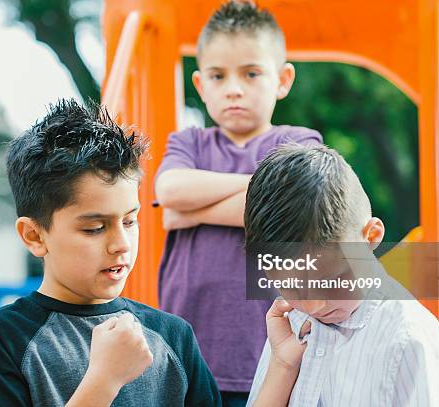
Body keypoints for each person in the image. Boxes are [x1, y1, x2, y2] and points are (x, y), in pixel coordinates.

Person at [0, 99, 221, 407]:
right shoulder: (0, 340)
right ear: (34, 235)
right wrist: (103, 382)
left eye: (130, 221)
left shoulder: (173, 336)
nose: (121, 243)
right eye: (95, 228)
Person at [154, 1, 322, 404]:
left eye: (251, 73)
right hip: (190, 344)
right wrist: (260, 185)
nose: (234, 87)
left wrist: (185, 215)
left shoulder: (299, 142)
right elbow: (170, 191)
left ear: (282, 80)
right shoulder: (188, 142)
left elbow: (290, 208)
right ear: (200, 85)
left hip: (270, 349)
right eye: (218, 75)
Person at [244, 144, 439, 406]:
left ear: (371, 237)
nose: (315, 306)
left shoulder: (409, 339)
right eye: (292, 288)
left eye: (332, 282)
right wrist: (281, 365)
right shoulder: (291, 323)